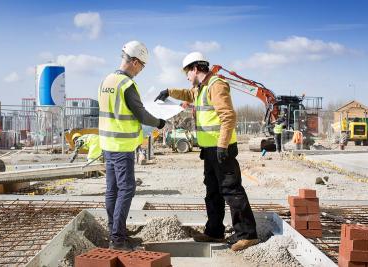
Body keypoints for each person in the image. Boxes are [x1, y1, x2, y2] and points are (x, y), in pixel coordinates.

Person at [155, 52, 258, 251]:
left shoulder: (216, 85)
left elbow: (228, 116)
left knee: (231, 190)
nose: (186, 77)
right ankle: (214, 232)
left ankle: (247, 235)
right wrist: (168, 91)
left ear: (195, 69)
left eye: (187, 72)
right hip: (210, 149)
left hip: (221, 148)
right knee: (212, 192)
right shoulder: (201, 88)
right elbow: (188, 95)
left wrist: (222, 145)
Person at [98, 40, 166, 250]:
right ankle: (118, 240)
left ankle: (115, 234)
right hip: (122, 146)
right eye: (142, 66)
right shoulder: (127, 84)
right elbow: (142, 115)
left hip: (107, 144)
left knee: (113, 190)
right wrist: (160, 122)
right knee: (126, 189)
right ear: (135, 62)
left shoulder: (106, 80)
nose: (141, 71)